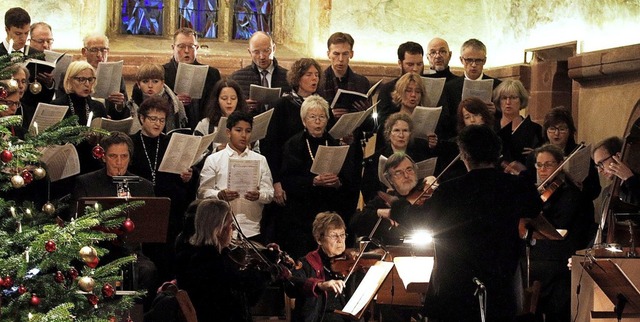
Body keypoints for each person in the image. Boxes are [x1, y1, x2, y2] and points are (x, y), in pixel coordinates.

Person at [393, 124, 542, 322]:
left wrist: (397, 205)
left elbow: (415, 221)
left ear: (464, 155)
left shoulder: (449, 191)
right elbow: (535, 206)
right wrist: (523, 174)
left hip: (454, 294)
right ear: (497, 154)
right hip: (501, 291)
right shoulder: (514, 187)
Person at [277, 95, 354, 258]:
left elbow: (348, 178)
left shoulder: (334, 143)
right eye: (313, 117)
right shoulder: (294, 144)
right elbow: (288, 180)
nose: (318, 121)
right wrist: (313, 181)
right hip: (302, 215)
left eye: (322, 117)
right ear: (304, 121)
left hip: (330, 209)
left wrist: (338, 182)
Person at [175, 199, 272, 321]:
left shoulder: (210, 257)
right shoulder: (208, 261)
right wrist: (267, 273)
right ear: (218, 228)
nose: (234, 229)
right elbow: (240, 290)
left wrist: (260, 271)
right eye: (231, 224)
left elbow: (247, 300)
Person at [530, 144, 595, 322]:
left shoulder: (571, 193)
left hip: (560, 257)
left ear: (560, 164)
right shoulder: (541, 191)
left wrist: (537, 211)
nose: (543, 170)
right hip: (543, 257)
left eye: (548, 164)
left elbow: (560, 225)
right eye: (539, 165)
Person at [198, 110, 274, 243]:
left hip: (252, 228)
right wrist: (219, 195)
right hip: (220, 228)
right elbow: (202, 193)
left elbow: (269, 193)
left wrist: (259, 195)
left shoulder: (260, 160)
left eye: (248, 131)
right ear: (228, 132)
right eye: (238, 130)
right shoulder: (214, 159)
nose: (244, 135)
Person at [261, 58, 322, 208]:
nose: (314, 78)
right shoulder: (284, 105)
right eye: (309, 74)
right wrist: (276, 181)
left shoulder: (321, 105)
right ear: (297, 78)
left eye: (316, 74)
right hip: (289, 176)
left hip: (316, 178)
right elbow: (271, 145)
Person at [285, 211, 353, 322]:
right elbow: (290, 286)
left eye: (342, 235)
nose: (340, 240)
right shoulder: (307, 263)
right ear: (319, 239)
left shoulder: (351, 264)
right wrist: (320, 285)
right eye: (334, 236)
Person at [526, 106, 601, 200]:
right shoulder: (535, 155)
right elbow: (527, 189)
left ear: (570, 131)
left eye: (562, 129)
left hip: (577, 206)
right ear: (546, 131)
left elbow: (596, 190)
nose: (556, 133)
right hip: (546, 207)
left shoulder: (580, 152)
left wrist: (582, 188)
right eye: (552, 129)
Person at [153, 27, 221, 129]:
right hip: (170, 128)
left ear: (197, 48)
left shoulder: (212, 74)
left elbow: (217, 105)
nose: (186, 51)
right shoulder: (161, 73)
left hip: (203, 128)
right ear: (173, 47)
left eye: (191, 46)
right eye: (181, 46)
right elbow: (152, 104)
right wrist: (174, 102)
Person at [52, 61, 107, 174]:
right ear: (69, 80)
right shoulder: (57, 106)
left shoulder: (98, 106)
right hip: (66, 166)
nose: (87, 84)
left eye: (90, 79)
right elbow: (52, 142)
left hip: (93, 166)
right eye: (81, 79)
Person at [361, 113, 432, 202]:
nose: (401, 135)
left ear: (410, 134)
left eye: (405, 130)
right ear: (389, 134)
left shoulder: (420, 156)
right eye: (397, 130)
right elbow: (368, 192)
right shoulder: (374, 160)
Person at [55, 34, 129, 120]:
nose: (99, 54)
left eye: (103, 50)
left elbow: (124, 113)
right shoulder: (70, 74)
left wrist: (119, 105)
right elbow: (61, 106)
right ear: (84, 52)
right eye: (94, 50)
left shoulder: (116, 76)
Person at [444, 38, 502, 136]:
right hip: (459, 138)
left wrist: (496, 110)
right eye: (469, 60)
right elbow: (446, 119)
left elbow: (506, 117)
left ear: (485, 61)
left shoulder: (497, 86)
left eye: (478, 60)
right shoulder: (450, 87)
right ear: (461, 60)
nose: (474, 65)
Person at [592, 136, 640, 245]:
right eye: (597, 166)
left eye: (601, 163)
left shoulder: (636, 182)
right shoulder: (607, 192)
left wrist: (630, 179)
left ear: (618, 156)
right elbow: (604, 230)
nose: (599, 170)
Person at [229, 31, 290, 115]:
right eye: (256, 52)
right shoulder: (237, 78)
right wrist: (242, 106)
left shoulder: (288, 77)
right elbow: (229, 109)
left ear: (274, 49)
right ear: (249, 52)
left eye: (266, 50)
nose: (262, 57)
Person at [321, 31, 370, 119]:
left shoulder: (362, 82)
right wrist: (329, 115)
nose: (340, 59)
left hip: (355, 131)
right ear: (328, 54)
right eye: (336, 54)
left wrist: (364, 113)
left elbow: (370, 124)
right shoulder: (319, 81)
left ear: (351, 54)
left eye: (345, 54)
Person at [494, 79, 543, 164]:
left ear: (521, 100)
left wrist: (536, 155)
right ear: (499, 101)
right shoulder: (491, 128)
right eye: (504, 98)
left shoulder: (536, 129)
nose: (508, 102)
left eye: (513, 98)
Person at [128, 63, 188, 132]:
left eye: (155, 81)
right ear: (138, 84)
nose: (150, 85)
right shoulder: (133, 104)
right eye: (145, 81)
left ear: (162, 83)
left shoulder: (173, 103)